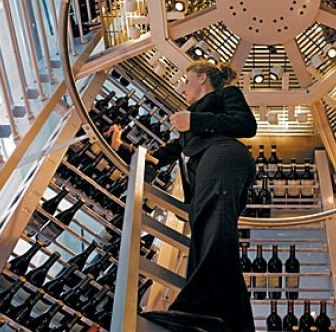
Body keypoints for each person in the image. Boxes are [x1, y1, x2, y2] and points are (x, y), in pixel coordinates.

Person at [108, 60, 257, 332]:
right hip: (210, 168)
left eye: (187, 81)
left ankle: (197, 309)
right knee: (208, 233)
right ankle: (233, 321)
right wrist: (120, 146)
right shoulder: (188, 132)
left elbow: (246, 124)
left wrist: (194, 120)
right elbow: (158, 158)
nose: (183, 88)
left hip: (223, 157)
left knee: (213, 228)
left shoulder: (226, 94)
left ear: (202, 78)